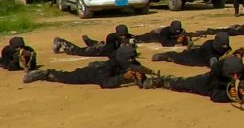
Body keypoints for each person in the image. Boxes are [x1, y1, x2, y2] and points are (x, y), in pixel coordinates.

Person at [145, 55, 244, 107]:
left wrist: (243, 93)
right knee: (184, 84)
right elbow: (214, 95)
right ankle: (162, 81)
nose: (236, 77)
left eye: (238, 74)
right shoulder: (216, 69)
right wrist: (228, 95)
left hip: (224, 85)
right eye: (233, 74)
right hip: (207, 83)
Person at [23, 44, 151, 88]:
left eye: (133, 58)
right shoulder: (108, 67)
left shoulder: (132, 64)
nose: (132, 61)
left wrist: (143, 78)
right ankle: (45, 74)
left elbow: (141, 76)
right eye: (130, 59)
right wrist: (124, 77)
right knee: (68, 77)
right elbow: (105, 83)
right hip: (93, 73)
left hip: (100, 68)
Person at [151, 32, 231, 67]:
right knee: (177, 57)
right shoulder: (209, 49)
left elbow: (229, 52)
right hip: (193, 58)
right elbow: (214, 66)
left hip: (199, 51)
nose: (224, 47)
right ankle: (167, 55)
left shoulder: (225, 46)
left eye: (225, 46)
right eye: (222, 46)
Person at [53, 24, 134, 57]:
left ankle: (89, 41)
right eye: (121, 35)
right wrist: (125, 41)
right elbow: (111, 37)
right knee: (76, 50)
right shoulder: (112, 38)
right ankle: (60, 41)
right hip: (98, 50)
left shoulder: (127, 38)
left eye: (124, 35)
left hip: (102, 46)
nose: (123, 37)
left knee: (99, 44)